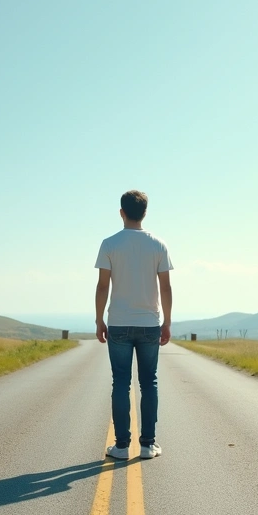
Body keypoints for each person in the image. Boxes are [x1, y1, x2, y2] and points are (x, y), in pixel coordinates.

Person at [95, 190, 173, 460]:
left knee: (120, 383)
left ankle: (120, 446)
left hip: (118, 323)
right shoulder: (158, 244)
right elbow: (166, 287)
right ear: (145, 213)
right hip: (149, 323)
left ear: (121, 212)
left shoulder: (109, 244)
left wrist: (99, 320)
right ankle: (148, 445)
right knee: (148, 383)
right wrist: (168, 322)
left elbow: (103, 285)